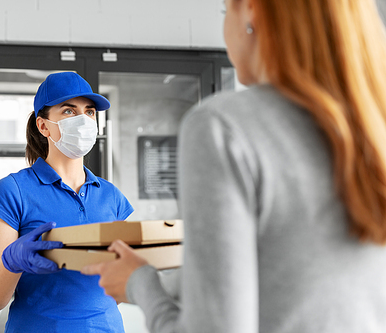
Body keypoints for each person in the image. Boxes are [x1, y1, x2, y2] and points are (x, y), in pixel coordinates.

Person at [82, 0, 386, 332]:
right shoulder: (373, 128)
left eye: (226, 11)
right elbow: (296, 277)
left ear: (251, 10)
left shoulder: (223, 127)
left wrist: (139, 284)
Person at [0, 72, 134, 332]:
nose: (84, 120)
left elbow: (119, 288)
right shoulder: (12, 192)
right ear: (43, 126)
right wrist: (11, 264)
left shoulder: (111, 196)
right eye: (69, 112)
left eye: (90, 112)